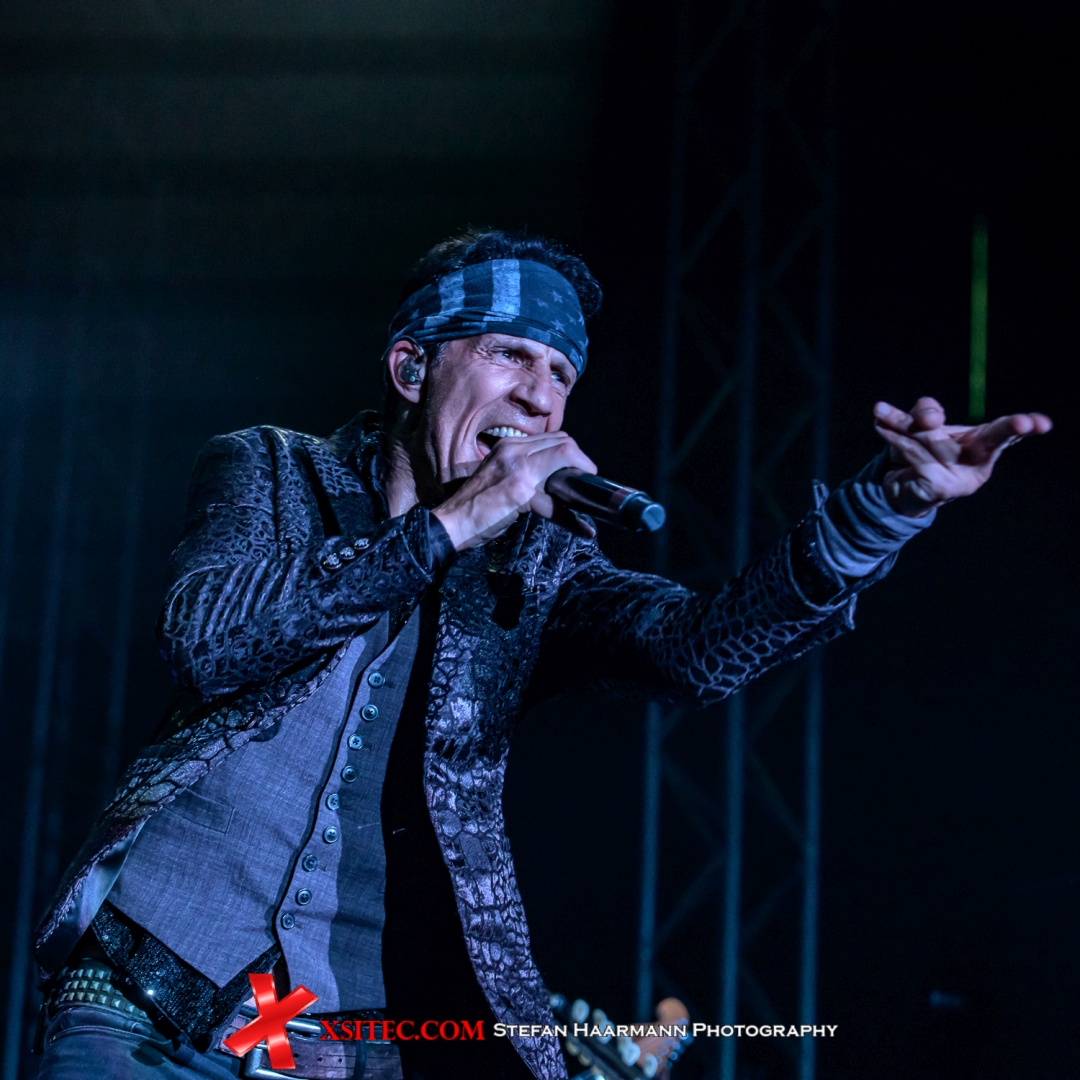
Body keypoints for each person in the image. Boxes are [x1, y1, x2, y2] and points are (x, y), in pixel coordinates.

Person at [31, 230, 1051, 1080]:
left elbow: (698, 649)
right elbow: (209, 638)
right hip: (138, 1009)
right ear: (411, 368)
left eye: (562, 375)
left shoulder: (540, 567)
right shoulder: (271, 468)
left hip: (332, 1044)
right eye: (511, 356)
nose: (541, 398)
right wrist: (448, 525)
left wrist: (879, 515)